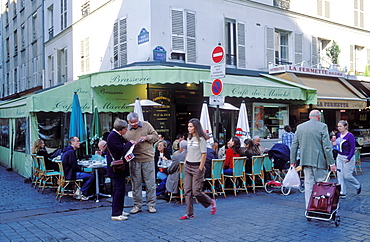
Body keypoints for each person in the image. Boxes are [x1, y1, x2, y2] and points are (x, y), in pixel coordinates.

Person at [290, 110, 337, 209]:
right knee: (322, 184)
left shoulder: (300, 127)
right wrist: (331, 163)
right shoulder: (322, 126)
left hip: (305, 161)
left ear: (309, 117)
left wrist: (293, 161)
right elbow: (327, 147)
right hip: (319, 161)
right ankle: (321, 206)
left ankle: (309, 207)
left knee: (308, 186)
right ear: (319, 117)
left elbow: (294, 145)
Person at [180, 118, 216, 220]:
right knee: (187, 191)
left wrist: (200, 168)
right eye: (188, 126)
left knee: (196, 191)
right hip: (188, 166)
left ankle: (210, 202)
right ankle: (189, 213)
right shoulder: (189, 138)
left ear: (196, 127)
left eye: (191, 126)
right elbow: (188, 151)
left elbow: (204, 154)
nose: (189, 128)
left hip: (197, 166)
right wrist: (186, 161)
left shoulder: (201, 139)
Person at [124, 112, 159, 214]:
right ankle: (137, 205)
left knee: (150, 183)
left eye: (135, 122)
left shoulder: (146, 125)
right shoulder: (126, 129)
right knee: (136, 183)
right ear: (128, 122)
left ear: (138, 119)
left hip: (147, 158)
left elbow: (156, 136)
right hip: (134, 159)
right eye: (132, 123)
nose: (134, 124)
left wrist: (147, 137)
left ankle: (151, 205)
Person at [106, 119, 136, 221]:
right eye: (126, 129)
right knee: (118, 190)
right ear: (121, 129)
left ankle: (119, 210)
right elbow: (120, 149)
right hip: (117, 168)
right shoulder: (112, 136)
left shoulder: (116, 136)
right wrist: (130, 144)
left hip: (119, 168)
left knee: (121, 189)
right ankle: (116, 213)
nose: (127, 130)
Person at [334, 120, 362, 198]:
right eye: (338, 126)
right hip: (339, 156)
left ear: (345, 126)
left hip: (347, 157)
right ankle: (342, 192)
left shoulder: (350, 136)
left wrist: (349, 158)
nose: (339, 128)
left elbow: (353, 148)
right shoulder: (338, 135)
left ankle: (357, 185)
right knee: (340, 175)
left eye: (340, 126)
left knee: (347, 175)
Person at [61, 137, 94, 201]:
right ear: (72, 142)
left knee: (87, 174)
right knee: (91, 176)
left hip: (66, 173)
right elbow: (74, 166)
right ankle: (81, 193)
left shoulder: (66, 151)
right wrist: (81, 169)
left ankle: (79, 190)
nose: (79, 143)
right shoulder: (71, 152)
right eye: (77, 141)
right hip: (70, 174)